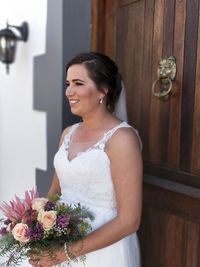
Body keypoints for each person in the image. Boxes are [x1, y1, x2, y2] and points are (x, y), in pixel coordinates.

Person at [29, 52, 143, 267]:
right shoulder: (68, 133)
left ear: (103, 90)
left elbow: (129, 220)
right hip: (60, 240)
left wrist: (63, 254)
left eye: (78, 83)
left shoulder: (122, 139)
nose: (69, 91)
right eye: (68, 83)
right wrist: (35, 230)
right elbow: (56, 191)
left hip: (103, 251)